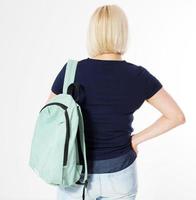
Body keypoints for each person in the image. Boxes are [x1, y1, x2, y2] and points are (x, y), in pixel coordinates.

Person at [46, 4, 186, 200]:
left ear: (92, 33)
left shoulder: (71, 71)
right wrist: (136, 140)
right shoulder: (138, 76)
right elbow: (176, 116)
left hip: (74, 173)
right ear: (123, 33)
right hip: (120, 172)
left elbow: (48, 117)